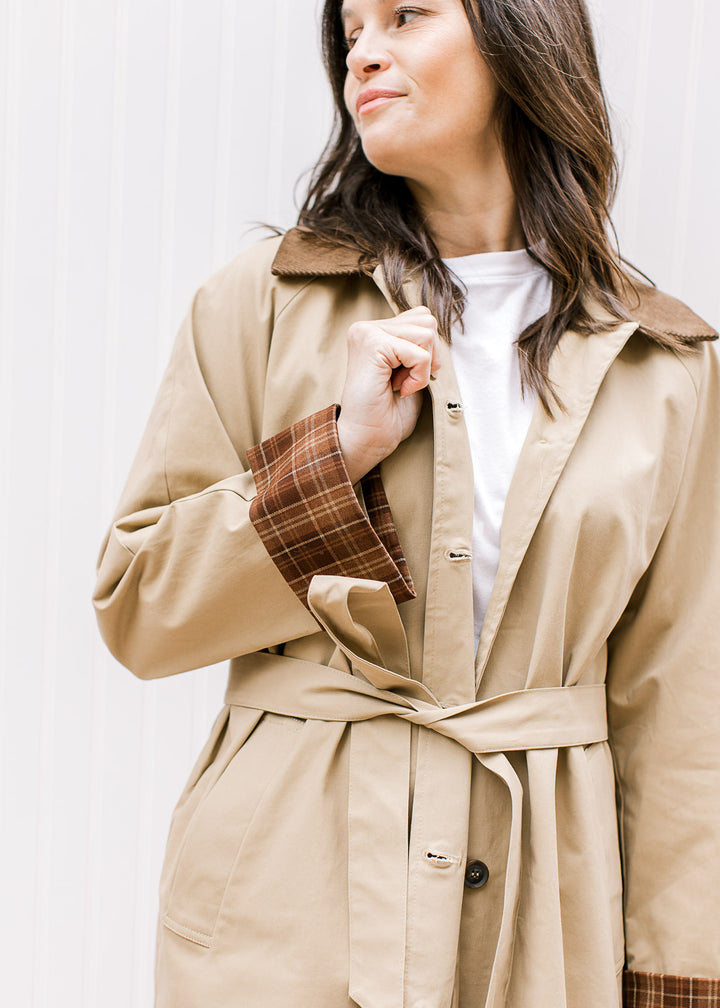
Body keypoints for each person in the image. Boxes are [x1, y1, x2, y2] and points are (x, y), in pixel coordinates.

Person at [93, 1, 720, 1006]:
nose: (365, 53)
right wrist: (332, 460)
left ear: (527, 38)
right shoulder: (260, 303)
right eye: (350, 35)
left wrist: (678, 982)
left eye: (406, 15)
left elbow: (683, 710)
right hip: (287, 907)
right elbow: (138, 608)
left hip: (542, 920)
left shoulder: (665, 366)